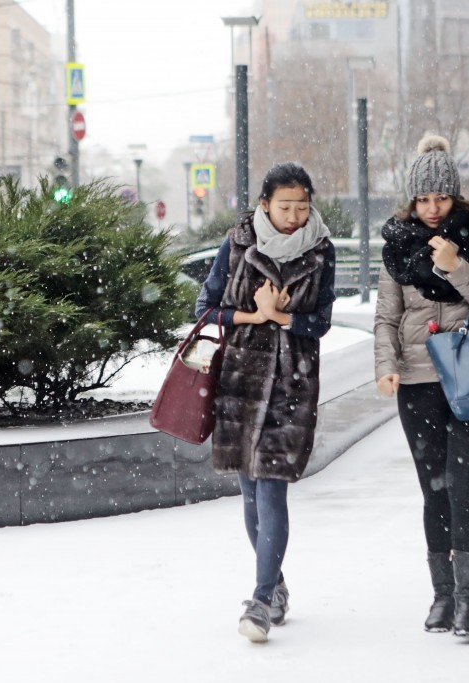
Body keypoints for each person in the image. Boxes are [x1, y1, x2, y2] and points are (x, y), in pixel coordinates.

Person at [374, 134, 469, 639]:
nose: (433, 209)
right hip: (418, 381)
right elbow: (387, 318)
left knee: (465, 487)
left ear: (456, 196)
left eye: (442, 198)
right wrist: (385, 366)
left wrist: (456, 267)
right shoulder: (396, 247)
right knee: (434, 491)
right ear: (412, 200)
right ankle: (443, 596)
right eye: (423, 199)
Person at [194, 162, 336, 643]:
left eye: (302, 207)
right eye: (285, 206)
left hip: (291, 387)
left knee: (272, 490)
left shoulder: (320, 251)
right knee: (251, 496)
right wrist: (254, 315)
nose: (294, 216)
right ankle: (275, 586)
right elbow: (205, 308)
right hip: (239, 385)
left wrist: (285, 319)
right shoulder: (236, 245)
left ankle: (259, 599)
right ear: (264, 205)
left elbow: (321, 321)